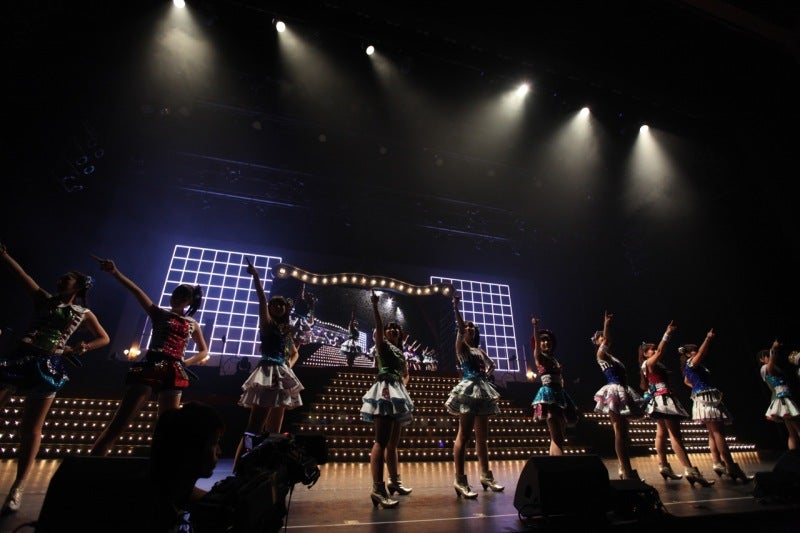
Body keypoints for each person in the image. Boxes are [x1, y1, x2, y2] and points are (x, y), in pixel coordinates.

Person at [0, 243, 110, 513]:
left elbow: (104, 338)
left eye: (67, 278)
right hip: (21, 358)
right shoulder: (43, 298)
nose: (61, 280)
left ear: (78, 286)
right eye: (61, 277)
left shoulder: (83, 313)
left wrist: (82, 347)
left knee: (31, 429)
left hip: (49, 365)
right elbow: (22, 275)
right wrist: (5, 255)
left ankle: (18, 487)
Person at [89, 257, 209, 457]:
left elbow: (204, 350)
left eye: (182, 296)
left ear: (189, 301)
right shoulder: (159, 313)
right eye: (176, 294)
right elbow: (137, 292)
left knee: (167, 427)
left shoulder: (192, 324)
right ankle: (92, 463)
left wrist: (185, 363)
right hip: (152, 365)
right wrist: (115, 272)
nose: (177, 298)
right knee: (121, 421)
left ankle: (159, 468)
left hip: (174, 371)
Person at [233, 257, 304, 473]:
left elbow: (295, 353)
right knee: (254, 428)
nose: (278, 306)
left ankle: (266, 471)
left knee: (275, 431)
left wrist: (289, 365)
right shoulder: (267, 323)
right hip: (266, 373)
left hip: (281, 374)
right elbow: (261, 299)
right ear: (270, 308)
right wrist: (256, 277)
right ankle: (239, 468)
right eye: (275, 304)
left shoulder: (285, 331)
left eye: (281, 304)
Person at [639, 320, 713, 487]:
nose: (654, 350)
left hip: (660, 398)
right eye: (651, 349)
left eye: (654, 348)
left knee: (661, 433)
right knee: (675, 435)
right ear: (645, 354)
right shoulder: (649, 363)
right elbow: (661, 351)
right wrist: (667, 334)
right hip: (663, 399)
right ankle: (690, 470)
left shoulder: (650, 364)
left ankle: (664, 466)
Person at [359, 290, 414, 509]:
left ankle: (394, 482)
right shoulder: (382, 345)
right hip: (384, 392)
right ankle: (378, 489)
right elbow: (379, 327)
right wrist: (375, 306)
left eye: (395, 329)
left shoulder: (401, 353)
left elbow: (406, 374)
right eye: (389, 328)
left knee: (393, 443)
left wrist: (402, 385)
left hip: (397, 393)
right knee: (381, 441)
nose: (391, 330)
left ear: (400, 335)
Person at [446, 293, 503, 498]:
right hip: (469, 390)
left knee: (482, 438)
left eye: (472, 326)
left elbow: (491, 365)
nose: (469, 328)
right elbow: (461, 329)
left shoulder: (479, 350)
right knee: (464, 435)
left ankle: (486, 476)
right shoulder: (461, 347)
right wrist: (456, 307)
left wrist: (486, 375)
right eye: (467, 326)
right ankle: (460, 479)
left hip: (482, 390)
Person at [680, 328, 753, 482]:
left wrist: (696, 387)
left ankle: (717, 462)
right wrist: (708, 338)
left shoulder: (693, 366)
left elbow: (686, 381)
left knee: (713, 433)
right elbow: (702, 353)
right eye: (693, 351)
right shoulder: (692, 362)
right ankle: (731, 466)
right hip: (706, 398)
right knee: (718, 432)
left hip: (704, 396)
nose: (696, 352)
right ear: (688, 354)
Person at [145, 401, 225, 532]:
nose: (219, 451)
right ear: (193, 449)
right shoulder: (157, 512)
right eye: (214, 443)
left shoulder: (171, 490)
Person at [591, 310, 644, 481]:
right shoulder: (600, 355)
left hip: (622, 389)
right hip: (613, 391)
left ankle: (623, 467)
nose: (603, 339)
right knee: (619, 431)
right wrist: (606, 324)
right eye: (600, 338)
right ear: (597, 342)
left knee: (624, 432)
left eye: (603, 336)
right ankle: (627, 471)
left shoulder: (612, 357)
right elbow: (608, 340)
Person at [530, 316, 578, 456]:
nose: (546, 342)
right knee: (556, 434)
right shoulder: (539, 357)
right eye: (543, 340)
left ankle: (554, 463)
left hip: (560, 394)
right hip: (548, 394)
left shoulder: (554, 359)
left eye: (548, 340)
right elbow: (536, 342)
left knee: (559, 436)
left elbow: (561, 378)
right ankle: (561, 465)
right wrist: (535, 326)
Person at [757, 339, 800, 450]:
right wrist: (774, 348)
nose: (770, 357)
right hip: (782, 399)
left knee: (792, 432)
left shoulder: (776, 368)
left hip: (786, 397)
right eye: (767, 356)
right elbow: (771, 365)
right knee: (797, 427)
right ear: (762, 359)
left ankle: (793, 455)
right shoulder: (764, 368)